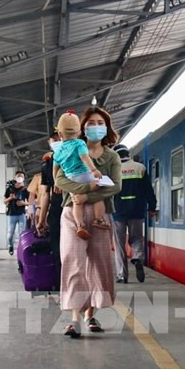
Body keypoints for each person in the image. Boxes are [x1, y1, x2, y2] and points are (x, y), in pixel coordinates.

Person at [52, 106, 121, 338]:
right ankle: (74, 319)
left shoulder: (111, 156)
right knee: (72, 260)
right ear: (81, 127)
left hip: (100, 215)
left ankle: (90, 315)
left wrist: (87, 196)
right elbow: (60, 179)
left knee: (97, 264)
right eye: (90, 123)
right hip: (72, 212)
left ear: (107, 127)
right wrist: (81, 192)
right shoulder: (69, 148)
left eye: (100, 123)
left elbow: (116, 186)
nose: (95, 127)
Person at [53, 110, 110, 240]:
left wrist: (56, 182)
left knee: (76, 203)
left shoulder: (57, 151)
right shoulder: (79, 143)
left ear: (60, 134)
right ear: (79, 132)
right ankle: (99, 219)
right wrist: (94, 170)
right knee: (98, 195)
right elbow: (84, 157)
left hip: (71, 178)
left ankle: (80, 225)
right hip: (84, 174)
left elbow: (55, 170)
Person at [112, 144, 157, 284]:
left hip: (118, 211)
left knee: (119, 244)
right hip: (137, 210)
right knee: (136, 238)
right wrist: (152, 207)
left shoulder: (113, 170)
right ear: (128, 154)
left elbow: (108, 193)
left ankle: (122, 276)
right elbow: (149, 191)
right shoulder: (140, 168)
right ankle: (137, 257)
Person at [36, 132, 64, 290]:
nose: (57, 142)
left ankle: (69, 288)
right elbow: (45, 194)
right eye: (54, 140)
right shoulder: (47, 165)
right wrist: (41, 219)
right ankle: (64, 287)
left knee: (65, 253)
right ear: (49, 142)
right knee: (58, 252)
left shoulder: (75, 158)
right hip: (56, 212)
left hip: (72, 210)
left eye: (60, 139)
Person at [4, 171, 29, 255]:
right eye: (18, 176)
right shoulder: (10, 189)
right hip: (11, 213)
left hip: (21, 214)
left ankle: (20, 249)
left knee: (22, 233)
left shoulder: (25, 190)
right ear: (15, 177)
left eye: (21, 176)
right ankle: (10, 245)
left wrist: (24, 203)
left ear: (24, 178)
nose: (20, 177)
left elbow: (31, 202)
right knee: (10, 233)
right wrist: (10, 198)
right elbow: (4, 201)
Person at [27, 153, 51, 225]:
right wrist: (30, 209)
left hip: (56, 208)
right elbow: (32, 194)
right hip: (41, 209)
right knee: (41, 232)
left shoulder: (61, 176)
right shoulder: (38, 177)